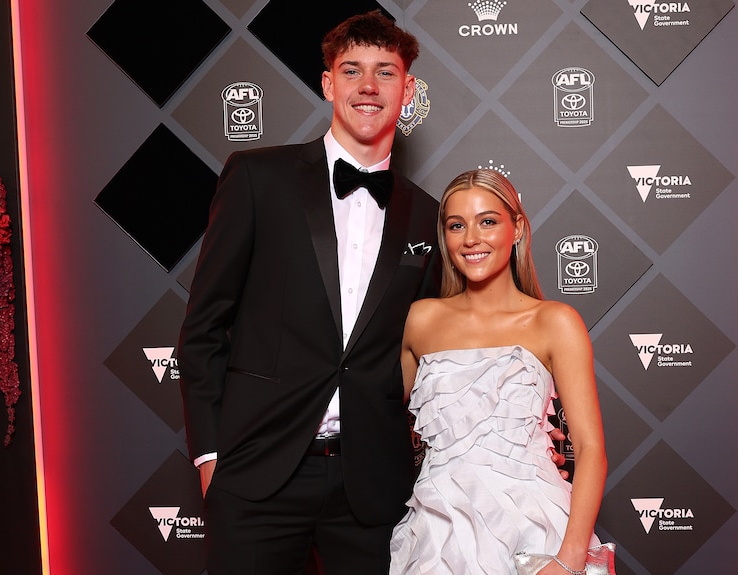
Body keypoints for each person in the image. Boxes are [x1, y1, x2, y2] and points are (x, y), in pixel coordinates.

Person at [177, 11, 440, 575]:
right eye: (351, 70)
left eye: (385, 72)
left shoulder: (428, 215)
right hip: (257, 475)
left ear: (408, 89)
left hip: (372, 486)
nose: (368, 86)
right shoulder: (258, 177)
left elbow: (430, 353)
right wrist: (212, 458)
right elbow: (203, 328)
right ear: (327, 84)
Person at [389, 169, 608, 575]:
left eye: (487, 221)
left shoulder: (555, 322)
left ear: (517, 228)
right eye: (457, 225)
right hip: (440, 530)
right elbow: (380, 413)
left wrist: (569, 558)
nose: (471, 238)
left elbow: (590, 448)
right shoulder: (422, 319)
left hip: (536, 527)